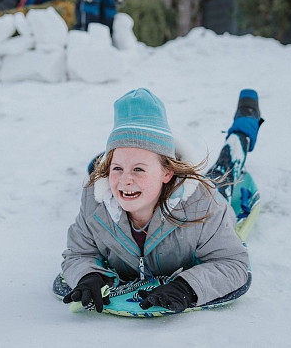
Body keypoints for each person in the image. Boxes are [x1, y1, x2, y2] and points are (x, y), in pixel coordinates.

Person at [61, 88, 263, 313]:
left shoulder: (203, 203)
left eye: (139, 169)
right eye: (117, 168)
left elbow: (232, 263)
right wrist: (89, 276)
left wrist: (187, 288)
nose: (125, 180)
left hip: (204, 193)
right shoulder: (95, 202)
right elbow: (79, 254)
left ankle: (245, 124)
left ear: (167, 173)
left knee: (226, 168)